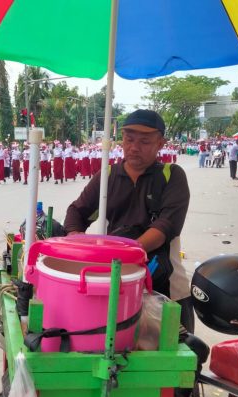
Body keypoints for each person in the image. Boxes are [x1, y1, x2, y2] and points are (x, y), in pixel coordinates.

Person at [64, 109, 193, 331]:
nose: (134, 147)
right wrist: (77, 241)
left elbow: (165, 227)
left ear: (160, 143)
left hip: (165, 284)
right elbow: (77, 212)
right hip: (117, 283)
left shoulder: (172, 176)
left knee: (179, 355)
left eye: (144, 141)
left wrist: (127, 254)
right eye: (129, 139)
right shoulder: (108, 176)